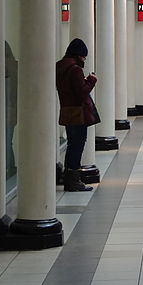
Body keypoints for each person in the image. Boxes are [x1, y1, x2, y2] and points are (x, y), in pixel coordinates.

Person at [56, 38, 100, 192]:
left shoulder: (60, 66)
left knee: (72, 145)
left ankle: (69, 177)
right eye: (84, 56)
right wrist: (91, 81)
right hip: (78, 113)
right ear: (79, 54)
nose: (84, 59)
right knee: (77, 146)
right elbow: (81, 92)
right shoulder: (74, 69)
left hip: (67, 110)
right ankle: (73, 181)